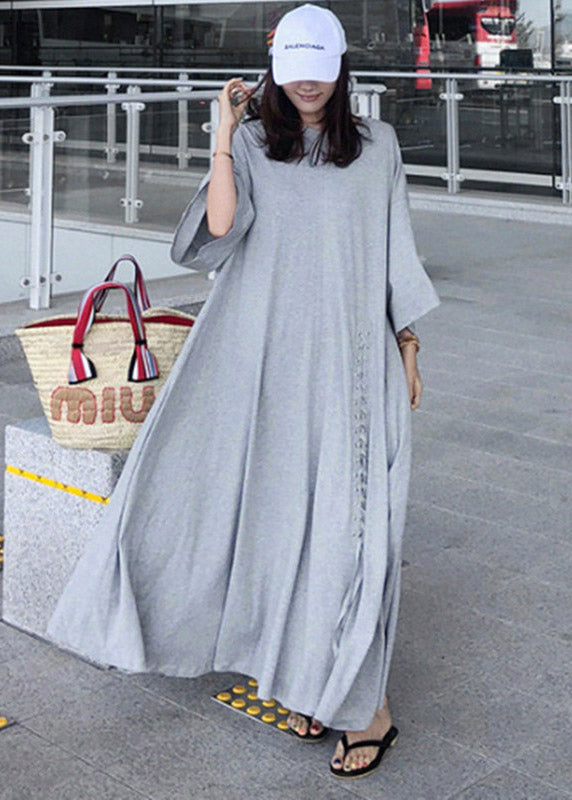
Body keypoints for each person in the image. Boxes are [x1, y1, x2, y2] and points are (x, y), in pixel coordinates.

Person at [46, 2, 440, 782]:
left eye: (318, 70)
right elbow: (219, 234)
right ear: (273, 69)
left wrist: (408, 346)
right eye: (292, 70)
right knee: (260, 516)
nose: (305, 85)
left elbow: (396, 250)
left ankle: (367, 707)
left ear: (340, 69)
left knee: (346, 528)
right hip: (256, 357)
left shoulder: (379, 146)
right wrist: (225, 134)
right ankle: (305, 677)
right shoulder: (256, 142)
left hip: (348, 361)